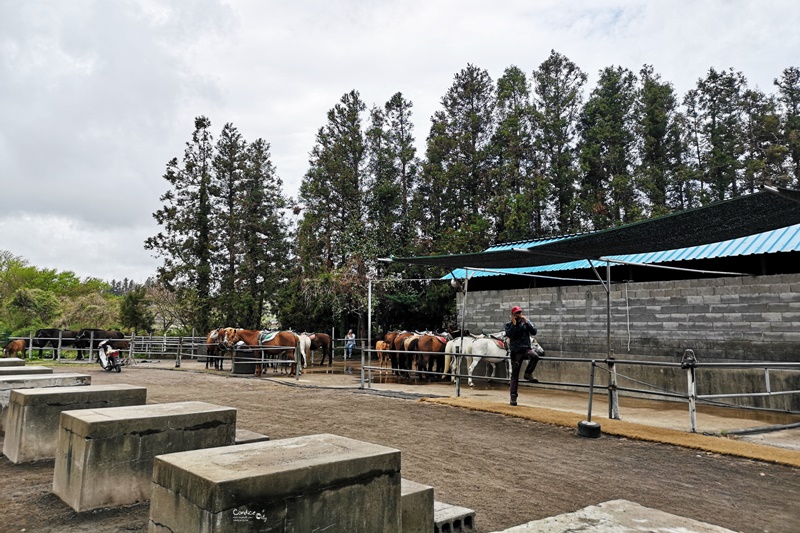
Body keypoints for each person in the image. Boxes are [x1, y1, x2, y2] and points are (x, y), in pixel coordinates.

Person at [504, 305, 540, 406]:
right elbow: (510, 335)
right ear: (513, 315)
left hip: (526, 349)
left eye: (520, 313)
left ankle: (528, 373)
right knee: (514, 375)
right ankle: (513, 397)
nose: (519, 315)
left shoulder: (526, 323)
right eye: (517, 313)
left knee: (535, 356)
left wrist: (527, 322)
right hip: (516, 352)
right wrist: (514, 325)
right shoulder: (509, 325)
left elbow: (534, 332)